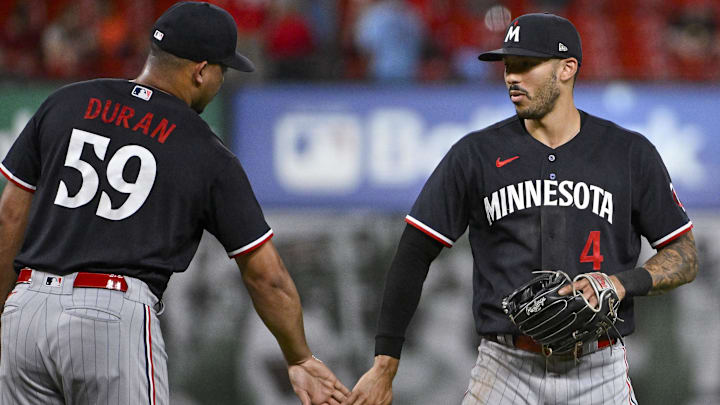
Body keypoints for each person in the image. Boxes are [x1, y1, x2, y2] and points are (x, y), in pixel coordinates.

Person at [0, 2, 348, 404]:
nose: (220, 80)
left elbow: (10, 215)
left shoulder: (66, 102)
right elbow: (265, 276)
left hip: (26, 307)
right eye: (222, 70)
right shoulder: (205, 150)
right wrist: (300, 357)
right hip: (109, 316)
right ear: (201, 70)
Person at [343, 12, 698, 405]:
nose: (512, 76)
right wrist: (385, 364)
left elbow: (684, 255)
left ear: (567, 69)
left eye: (527, 64)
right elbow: (413, 254)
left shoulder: (629, 153)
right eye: (508, 64)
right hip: (505, 367)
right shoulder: (475, 155)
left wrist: (620, 283)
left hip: (599, 369)